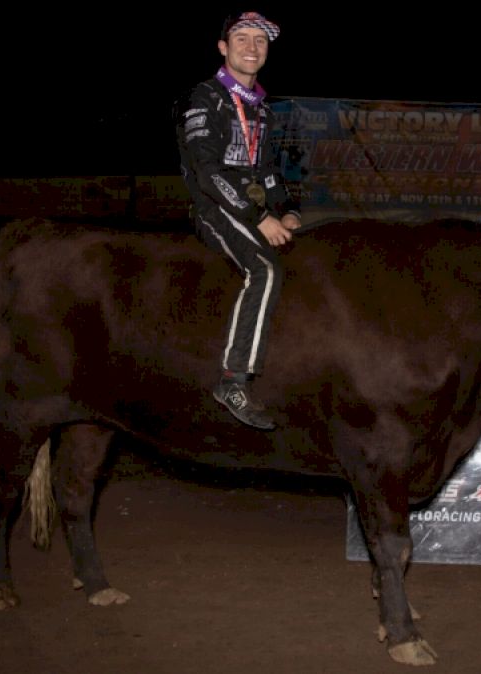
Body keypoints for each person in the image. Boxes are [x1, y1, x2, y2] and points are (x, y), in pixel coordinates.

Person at [173, 11, 302, 430]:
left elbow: (265, 170)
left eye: (260, 41)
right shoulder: (204, 97)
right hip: (214, 209)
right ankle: (232, 380)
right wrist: (260, 217)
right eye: (242, 39)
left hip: (251, 208)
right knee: (263, 270)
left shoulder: (259, 108)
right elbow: (207, 172)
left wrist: (288, 209)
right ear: (223, 48)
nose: (252, 47)